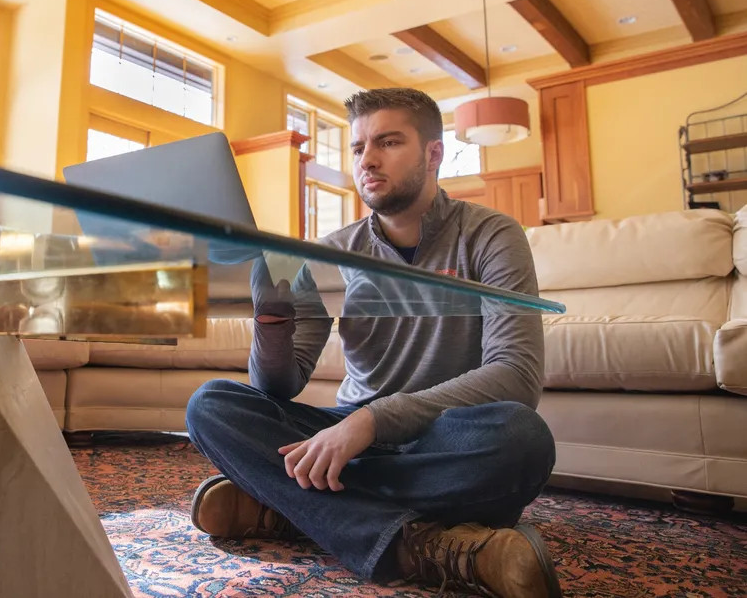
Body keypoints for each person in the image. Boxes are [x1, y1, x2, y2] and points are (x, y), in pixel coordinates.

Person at [185, 88, 562, 597]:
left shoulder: (491, 235)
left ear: (433, 153)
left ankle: (288, 509)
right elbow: (279, 385)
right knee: (211, 405)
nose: (368, 160)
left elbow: (515, 375)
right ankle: (426, 545)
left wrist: (373, 420)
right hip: (350, 441)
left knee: (520, 438)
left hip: (436, 438)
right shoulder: (326, 255)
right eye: (359, 147)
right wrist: (271, 318)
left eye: (387, 142)